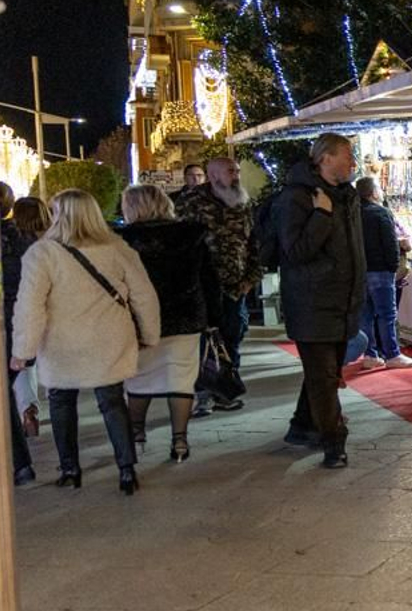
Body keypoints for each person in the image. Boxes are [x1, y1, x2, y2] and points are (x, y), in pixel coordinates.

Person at [11, 189, 160, 494]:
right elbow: (144, 295)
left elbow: (30, 306)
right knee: (112, 401)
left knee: (61, 402)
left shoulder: (42, 253)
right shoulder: (117, 248)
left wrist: (23, 350)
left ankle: (70, 470)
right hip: (108, 337)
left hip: (61, 342)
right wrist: (149, 333)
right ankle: (127, 470)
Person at [276, 133, 366, 469]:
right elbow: (295, 252)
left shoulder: (347, 195)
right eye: (347, 155)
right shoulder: (298, 198)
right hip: (312, 302)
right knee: (325, 378)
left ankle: (303, 425)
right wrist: (321, 217)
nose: (353, 161)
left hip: (343, 302)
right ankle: (334, 442)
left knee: (323, 375)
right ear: (325, 158)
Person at [118, 185, 222, 464]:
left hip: (140, 320)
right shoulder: (190, 234)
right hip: (186, 316)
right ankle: (180, 440)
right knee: (181, 379)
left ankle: (136, 434)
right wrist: (214, 317)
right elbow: (209, 279)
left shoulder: (124, 240)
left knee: (138, 378)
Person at [178, 156, 260, 412]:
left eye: (237, 171)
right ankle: (202, 393)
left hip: (236, 286)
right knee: (203, 342)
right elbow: (181, 244)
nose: (236, 176)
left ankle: (226, 390)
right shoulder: (191, 203)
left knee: (233, 336)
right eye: (230, 172)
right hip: (203, 287)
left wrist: (251, 278)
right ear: (213, 176)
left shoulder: (243, 203)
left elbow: (253, 243)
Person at [355, 176, 412, 371]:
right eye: (379, 189)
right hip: (381, 270)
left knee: (366, 315)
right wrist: (393, 267)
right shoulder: (381, 212)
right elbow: (390, 242)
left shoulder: (353, 213)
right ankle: (392, 353)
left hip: (361, 271)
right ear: (374, 192)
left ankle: (370, 355)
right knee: (387, 314)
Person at [0, 183, 34, 486]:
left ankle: (19, 464)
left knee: (2, 394)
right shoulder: (22, 238)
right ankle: (20, 465)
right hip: (19, 325)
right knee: (3, 392)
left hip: (4, 324)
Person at [7, 197, 50, 440]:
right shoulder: (52, 241)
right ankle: (44, 402)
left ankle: (28, 407)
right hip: (50, 308)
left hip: (18, 308)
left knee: (23, 361)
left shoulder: (10, 243)